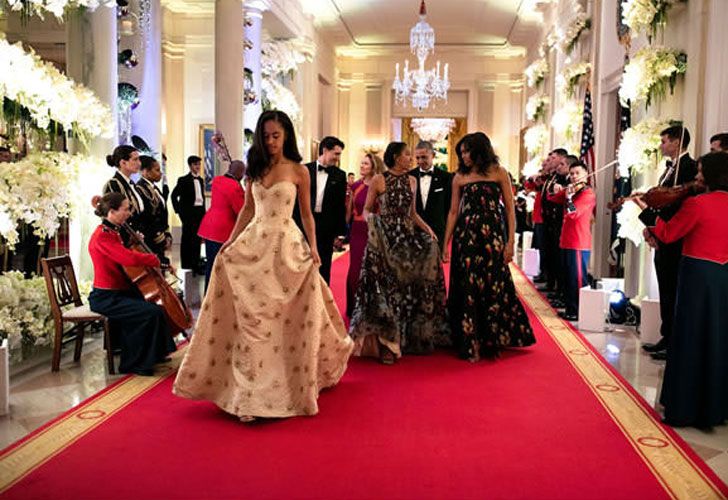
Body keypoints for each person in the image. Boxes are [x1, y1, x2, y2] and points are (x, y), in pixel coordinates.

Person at [173, 110, 353, 421]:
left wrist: (313, 247)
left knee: (281, 318)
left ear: (286, 136)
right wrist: (230, 242)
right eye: (266, 136)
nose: (270, 142)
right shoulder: (255, 169)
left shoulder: (298, 171)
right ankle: (249, 395)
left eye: (276, 136)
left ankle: (287, 382)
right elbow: (246, 210)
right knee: (253, 321)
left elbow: (307, 214)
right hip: (254, 245)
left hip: (286, 248)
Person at [645, 152, 728, 427]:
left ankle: (684, 407)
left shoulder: (697, 204)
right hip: (723, 276)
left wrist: (650, 220)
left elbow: (669, 233)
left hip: (697, 274)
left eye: (702, 172)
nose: (698, 177)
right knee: (717, 338)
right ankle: (715, 407)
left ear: (712, 176)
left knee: (690, 337)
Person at [349, 142, 450, 365]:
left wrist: (428, 229)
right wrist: (372, 222)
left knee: (406, 289)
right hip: (384, 240)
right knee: (386, 289)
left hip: (406, 240)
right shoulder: (379, 179)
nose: (410, 159)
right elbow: (366, 209)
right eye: (407, 154)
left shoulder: (412, 180)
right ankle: (386, 344)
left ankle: (405, 338)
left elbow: (412, 213)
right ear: (395, 156)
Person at [443, 133, 535, 361]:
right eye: (461, 152)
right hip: (466, 238)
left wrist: (510, 241)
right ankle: (468, 338)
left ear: (480, 150)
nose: (463, 156)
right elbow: (454, 212)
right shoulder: (459, 177)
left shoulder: (498, 172)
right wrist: (445, 243)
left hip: (493, 236)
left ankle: (492, 338)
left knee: (493, 284)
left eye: (467, 151)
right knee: (468, 286)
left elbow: (510, 210)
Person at [88, 192, 176, 376]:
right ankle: (134, 363)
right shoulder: (102, 235)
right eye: (126, 209)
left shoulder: (113, 231)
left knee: (156, 309)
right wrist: (155, 259)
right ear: (112, 211)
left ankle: (155, 355)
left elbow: (122, 255)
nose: (129, 213)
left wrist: (137, 243)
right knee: (148, 313)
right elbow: (126, 258)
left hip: (119, 292)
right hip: (106, 297)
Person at [639, 125, 698, 360]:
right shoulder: (669, 169)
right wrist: (651, 228)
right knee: (664, 287)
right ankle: (666, 335)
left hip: (676, 239)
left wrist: (656, 223)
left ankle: (674, 340)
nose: (661, 146)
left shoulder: (689, 168)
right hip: (663, 236)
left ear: (676, 142)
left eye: (664, 141)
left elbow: (673, 205)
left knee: (672, 289)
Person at [292, 136, 347, 284]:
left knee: (323, 268)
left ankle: (322, 303)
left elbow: (340, 205)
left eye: (339, 154)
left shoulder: (340, 175)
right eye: (336, 153)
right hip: (302, 224)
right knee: (300, 266)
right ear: (324, 150)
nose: (338, 158)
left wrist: (339, 233)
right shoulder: (304, 170)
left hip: (326, 227)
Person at [548, 161, 597, 321]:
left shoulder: (587, 193)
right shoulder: (572, 190)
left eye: (577, 173)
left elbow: (574, 214)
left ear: (585, 174)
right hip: (567, 240)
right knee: (567, 277)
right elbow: (552, 198)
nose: (574, 176)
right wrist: (555, 187)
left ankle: (577, 310)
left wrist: (568, 198)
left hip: (578, 241)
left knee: (577, 279)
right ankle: (570, 307)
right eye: (572, 173)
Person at [345, 152, 385, 317]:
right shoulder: (355, 186)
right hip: (357, 231)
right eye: (361, 163)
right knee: (355, 268)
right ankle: (354, 306)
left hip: (373, 230)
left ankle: (371, 307)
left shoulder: (380, 186)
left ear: (374, 166)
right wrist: (342, 231)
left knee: (372, 268)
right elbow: (349, 211)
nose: (362, 166)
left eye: (366, 164)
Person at [197, 160, 245, 291]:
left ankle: (207, 295)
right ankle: (216, 297)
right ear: (241, 173)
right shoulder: (235, 187)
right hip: (223, 230)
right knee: (221, 267)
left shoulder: (217, 180)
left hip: (209, 226)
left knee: (210, 265)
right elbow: (241, 210)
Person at [409, 140, 452, 249]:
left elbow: (449, 208)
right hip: (413, 232)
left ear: (433, 155)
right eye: (417, 158)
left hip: (437, 233)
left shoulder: (446, 177)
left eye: (424, 157)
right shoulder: (409, 176)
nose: (420, 161)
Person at [171, 155, 207, 272]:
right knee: (187, 237)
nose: (198, 167)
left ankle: (195, 262)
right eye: (196, 164)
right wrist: (179, 211)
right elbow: (173, 195)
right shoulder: (183, 180)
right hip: (188, 213)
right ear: (190, 165)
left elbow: (201, 198)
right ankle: (186, 264)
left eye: (199, 164)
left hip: (199, 212)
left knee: (197, 238)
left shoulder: (200, 180)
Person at [135, 156, 171, 267]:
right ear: (145, 172)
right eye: (157, 170)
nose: (160, 173)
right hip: (151, 238)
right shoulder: (141, 189)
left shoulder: (155, 188)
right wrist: (160, 237)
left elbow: (163, 212)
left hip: (160, 236)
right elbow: (147, 217)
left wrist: (167, 234)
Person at [103, 145, 146, 235]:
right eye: (135, 159)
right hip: (125, 237)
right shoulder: (114, 184)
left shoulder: (132, 184)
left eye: (139, 159)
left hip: (139, 235)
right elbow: (113, 216)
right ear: (123, 163)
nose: (139, 163)